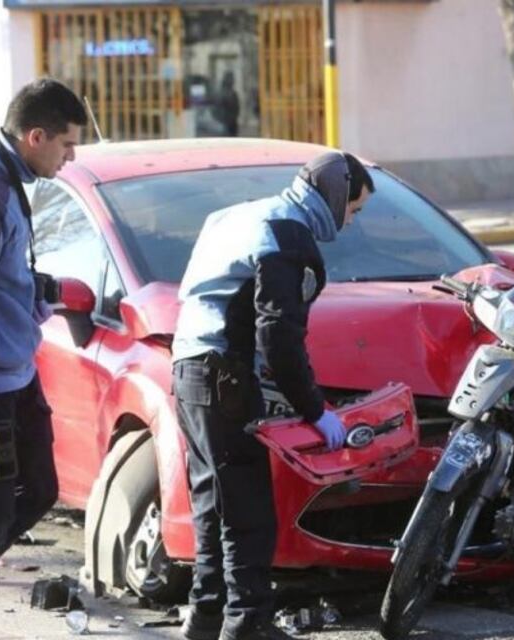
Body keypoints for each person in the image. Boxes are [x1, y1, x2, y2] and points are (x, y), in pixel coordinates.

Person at [171, 151, 373, 640]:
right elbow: (278, 335)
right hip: (224, 375)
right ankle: (247, 625)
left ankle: (207, 619)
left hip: (188, 370)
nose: (349, 221)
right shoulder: (286, 232)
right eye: (354, 208)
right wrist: (314, 409)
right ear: (335, 193)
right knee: (247, 514)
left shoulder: (240, 215)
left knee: (213, 505)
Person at [0, 78, 85, 638]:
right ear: (35, 136)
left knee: (39, 490)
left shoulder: (6, 171)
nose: (70, 158)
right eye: (66, 145)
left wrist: (37, 293)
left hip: (15, 372)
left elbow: (3, 273)